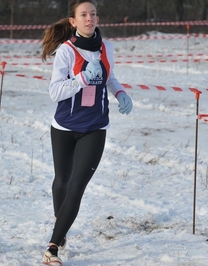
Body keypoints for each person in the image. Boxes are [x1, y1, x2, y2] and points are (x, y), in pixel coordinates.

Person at [40, 0, 133, 265]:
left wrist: (120, 92)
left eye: (93, 14)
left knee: (77, 188)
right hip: (65, 127)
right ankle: (62, 223)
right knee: (62, 182)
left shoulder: (107, 48)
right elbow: (55, 92)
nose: (89, 18)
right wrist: (81, 79)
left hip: (95, 126)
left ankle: (53, 248)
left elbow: (109, 77)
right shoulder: (66, 52)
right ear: (73, 22)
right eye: (84, 15)